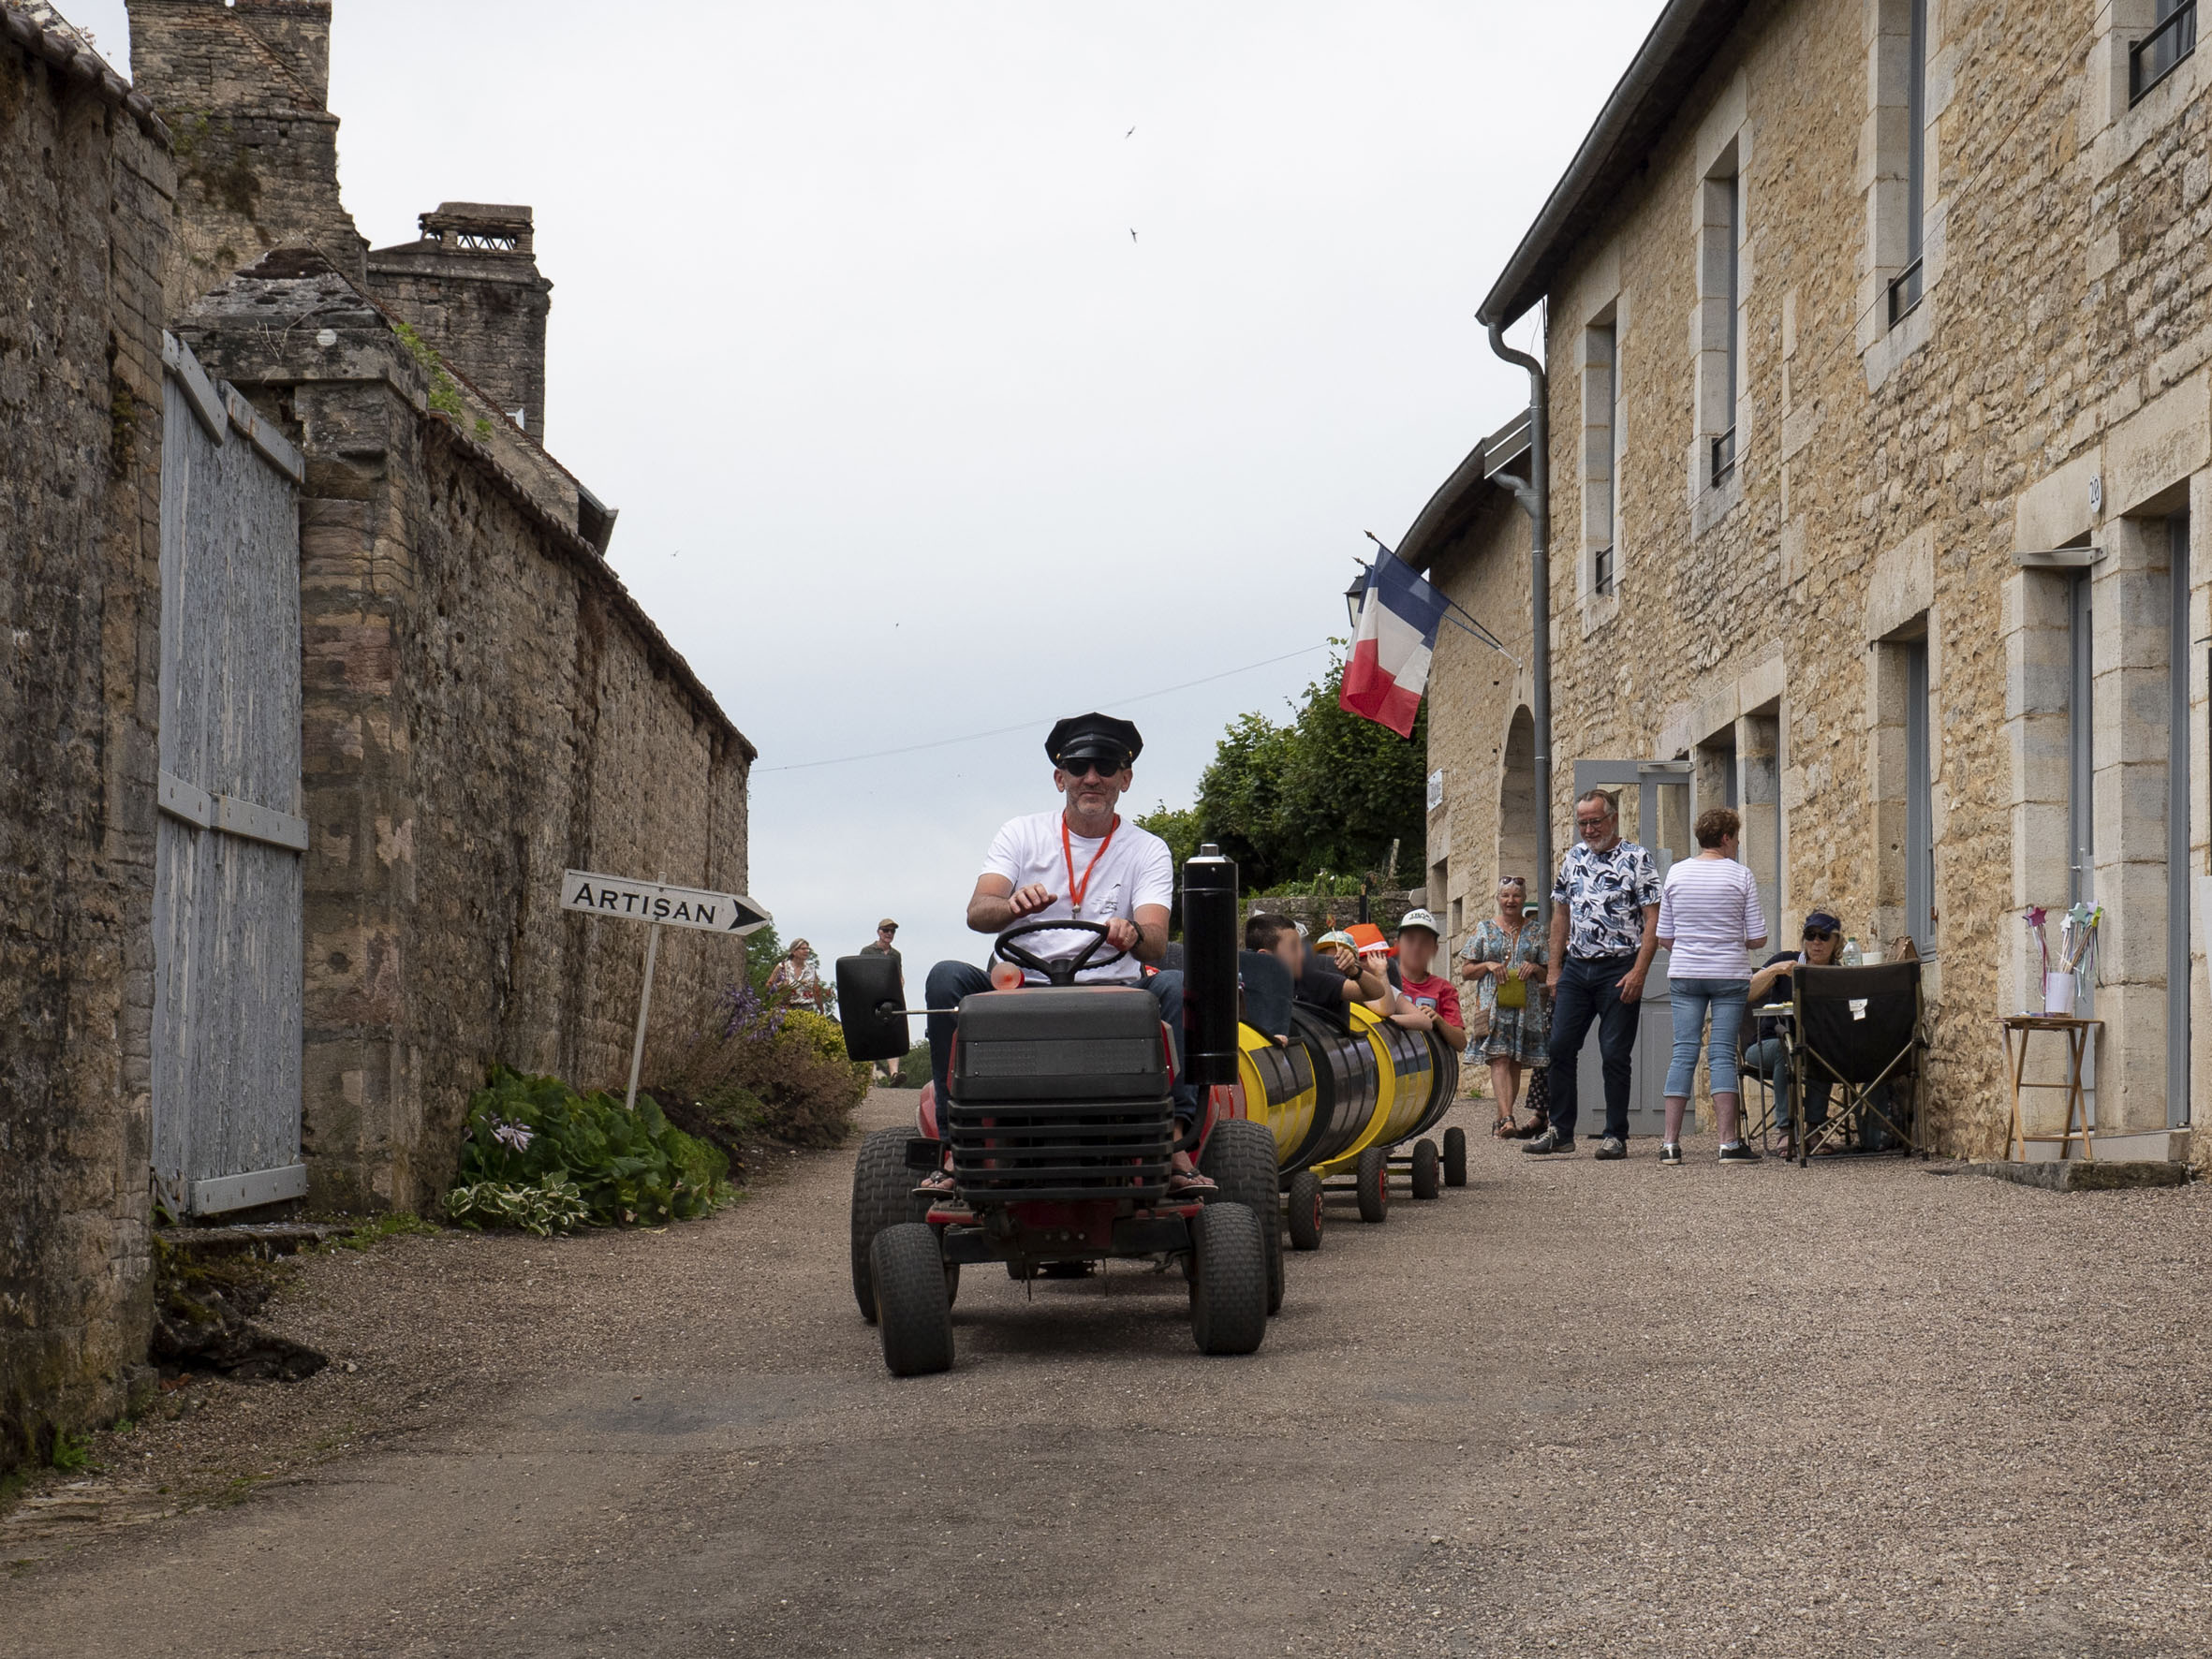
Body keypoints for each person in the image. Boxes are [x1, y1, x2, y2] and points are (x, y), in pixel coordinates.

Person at [922, 713, 1215, 1197]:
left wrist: (1131, 933)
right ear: (1061, 778)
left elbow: (1156, 940)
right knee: (946, 978)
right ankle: (956, 1148)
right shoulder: (1020, 834)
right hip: (1024, 989)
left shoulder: (1147, 849)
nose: (1091, 777)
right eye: (1079, 766)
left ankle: (1174, 1140)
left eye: (1105, 766)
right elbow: (979, 910)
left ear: (1125, 778)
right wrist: (1010, 905)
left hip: (1114, 991)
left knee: (1167, 984)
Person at [1527, 787, 1661, 1160]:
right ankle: (1560, 1130)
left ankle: (1615, 1134)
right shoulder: (1573, 858)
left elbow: (1654, 919)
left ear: (1613, 819)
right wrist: (1553, 969)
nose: (1588, 829)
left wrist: (1640, 971)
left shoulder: (1637, 858)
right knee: (1558, 1047)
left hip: (1619, 968)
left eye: (1595, 821)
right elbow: (1560, 916)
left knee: (1614, 1052)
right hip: (1576, 967)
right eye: (1582, 822)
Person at [1654, 807, 1768, 1166]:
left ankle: (1670, 1144)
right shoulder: (1741, 876)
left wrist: (1693, 943)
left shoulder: (1675, 873)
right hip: (1729, 973)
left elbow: (1665, 937)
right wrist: (1729, 939)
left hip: (1686, 971)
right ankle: (1727, 1143)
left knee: (1683, 1050)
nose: (1735, 844)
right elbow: (1758, 938)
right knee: (1720, 1053)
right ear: (1725, 838)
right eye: (1734, 838)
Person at [1742, 909, 1851, 1156]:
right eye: (1810, 935)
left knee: (1819, 1049)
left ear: (1836, 942)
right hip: (1766, 1045)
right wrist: (1774, 971)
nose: (1816, 942)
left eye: (1823, 936)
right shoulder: (1786, 961)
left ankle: (1813, 1129)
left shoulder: (1839, 974)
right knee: (1788, 1049)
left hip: (1813, 1045)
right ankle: (1786, 1130)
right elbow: (1746, 993)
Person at [1460, 875, 1548, 1137]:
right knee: (1498, 1058)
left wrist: (1534, 968)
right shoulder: (1484, 929)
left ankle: (1502, 1119)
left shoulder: (1536, 931)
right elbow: (1466, 970)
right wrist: (1487, 964)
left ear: (1524, 899)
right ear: (1498, 899)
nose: (1511, 900)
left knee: (1515, 1059)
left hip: (1525, 1005)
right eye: (1505, 895)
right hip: (1492, 1003)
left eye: (1516, 896)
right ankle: (1508, 1117)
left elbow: (1548, 972)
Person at [1386, 909, 1466, 1049]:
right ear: (1397, 944)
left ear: (1435, 949)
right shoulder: (1383, 982)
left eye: (1424, 942)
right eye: (1410, 939)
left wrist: (1439, 1022)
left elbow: (1460, 1043)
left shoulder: (1444, 989)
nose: (1416, 947)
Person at [1295, 927, 1393, 1012]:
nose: (1333, 962)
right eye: (1325, 956)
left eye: (1344, 957)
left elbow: (1384, 1008)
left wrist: (1380, 973)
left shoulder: (1354, 985)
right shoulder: (1311, 978)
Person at [859, 918, 903, 1081]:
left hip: (890, 998)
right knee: (871, 1035)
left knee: (893, 1033)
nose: (889, 934)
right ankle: (868, 1077)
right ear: (879, 932)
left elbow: (899, 977)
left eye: (892, 931)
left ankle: (894, 1074)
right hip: (871, 998)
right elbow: (860, 975)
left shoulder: (895, 955)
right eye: (886, 930)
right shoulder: (867, 951)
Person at [765, 938, 828, 1012]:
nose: (807, 951)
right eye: (803, 949)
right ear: (794, 951)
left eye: (808, 949)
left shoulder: (811, 969)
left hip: (807, 1009)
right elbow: (768, 985)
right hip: (785, 1008)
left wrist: (821, 1010)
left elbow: (816, 991)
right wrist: (780, 987)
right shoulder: (782, 967)